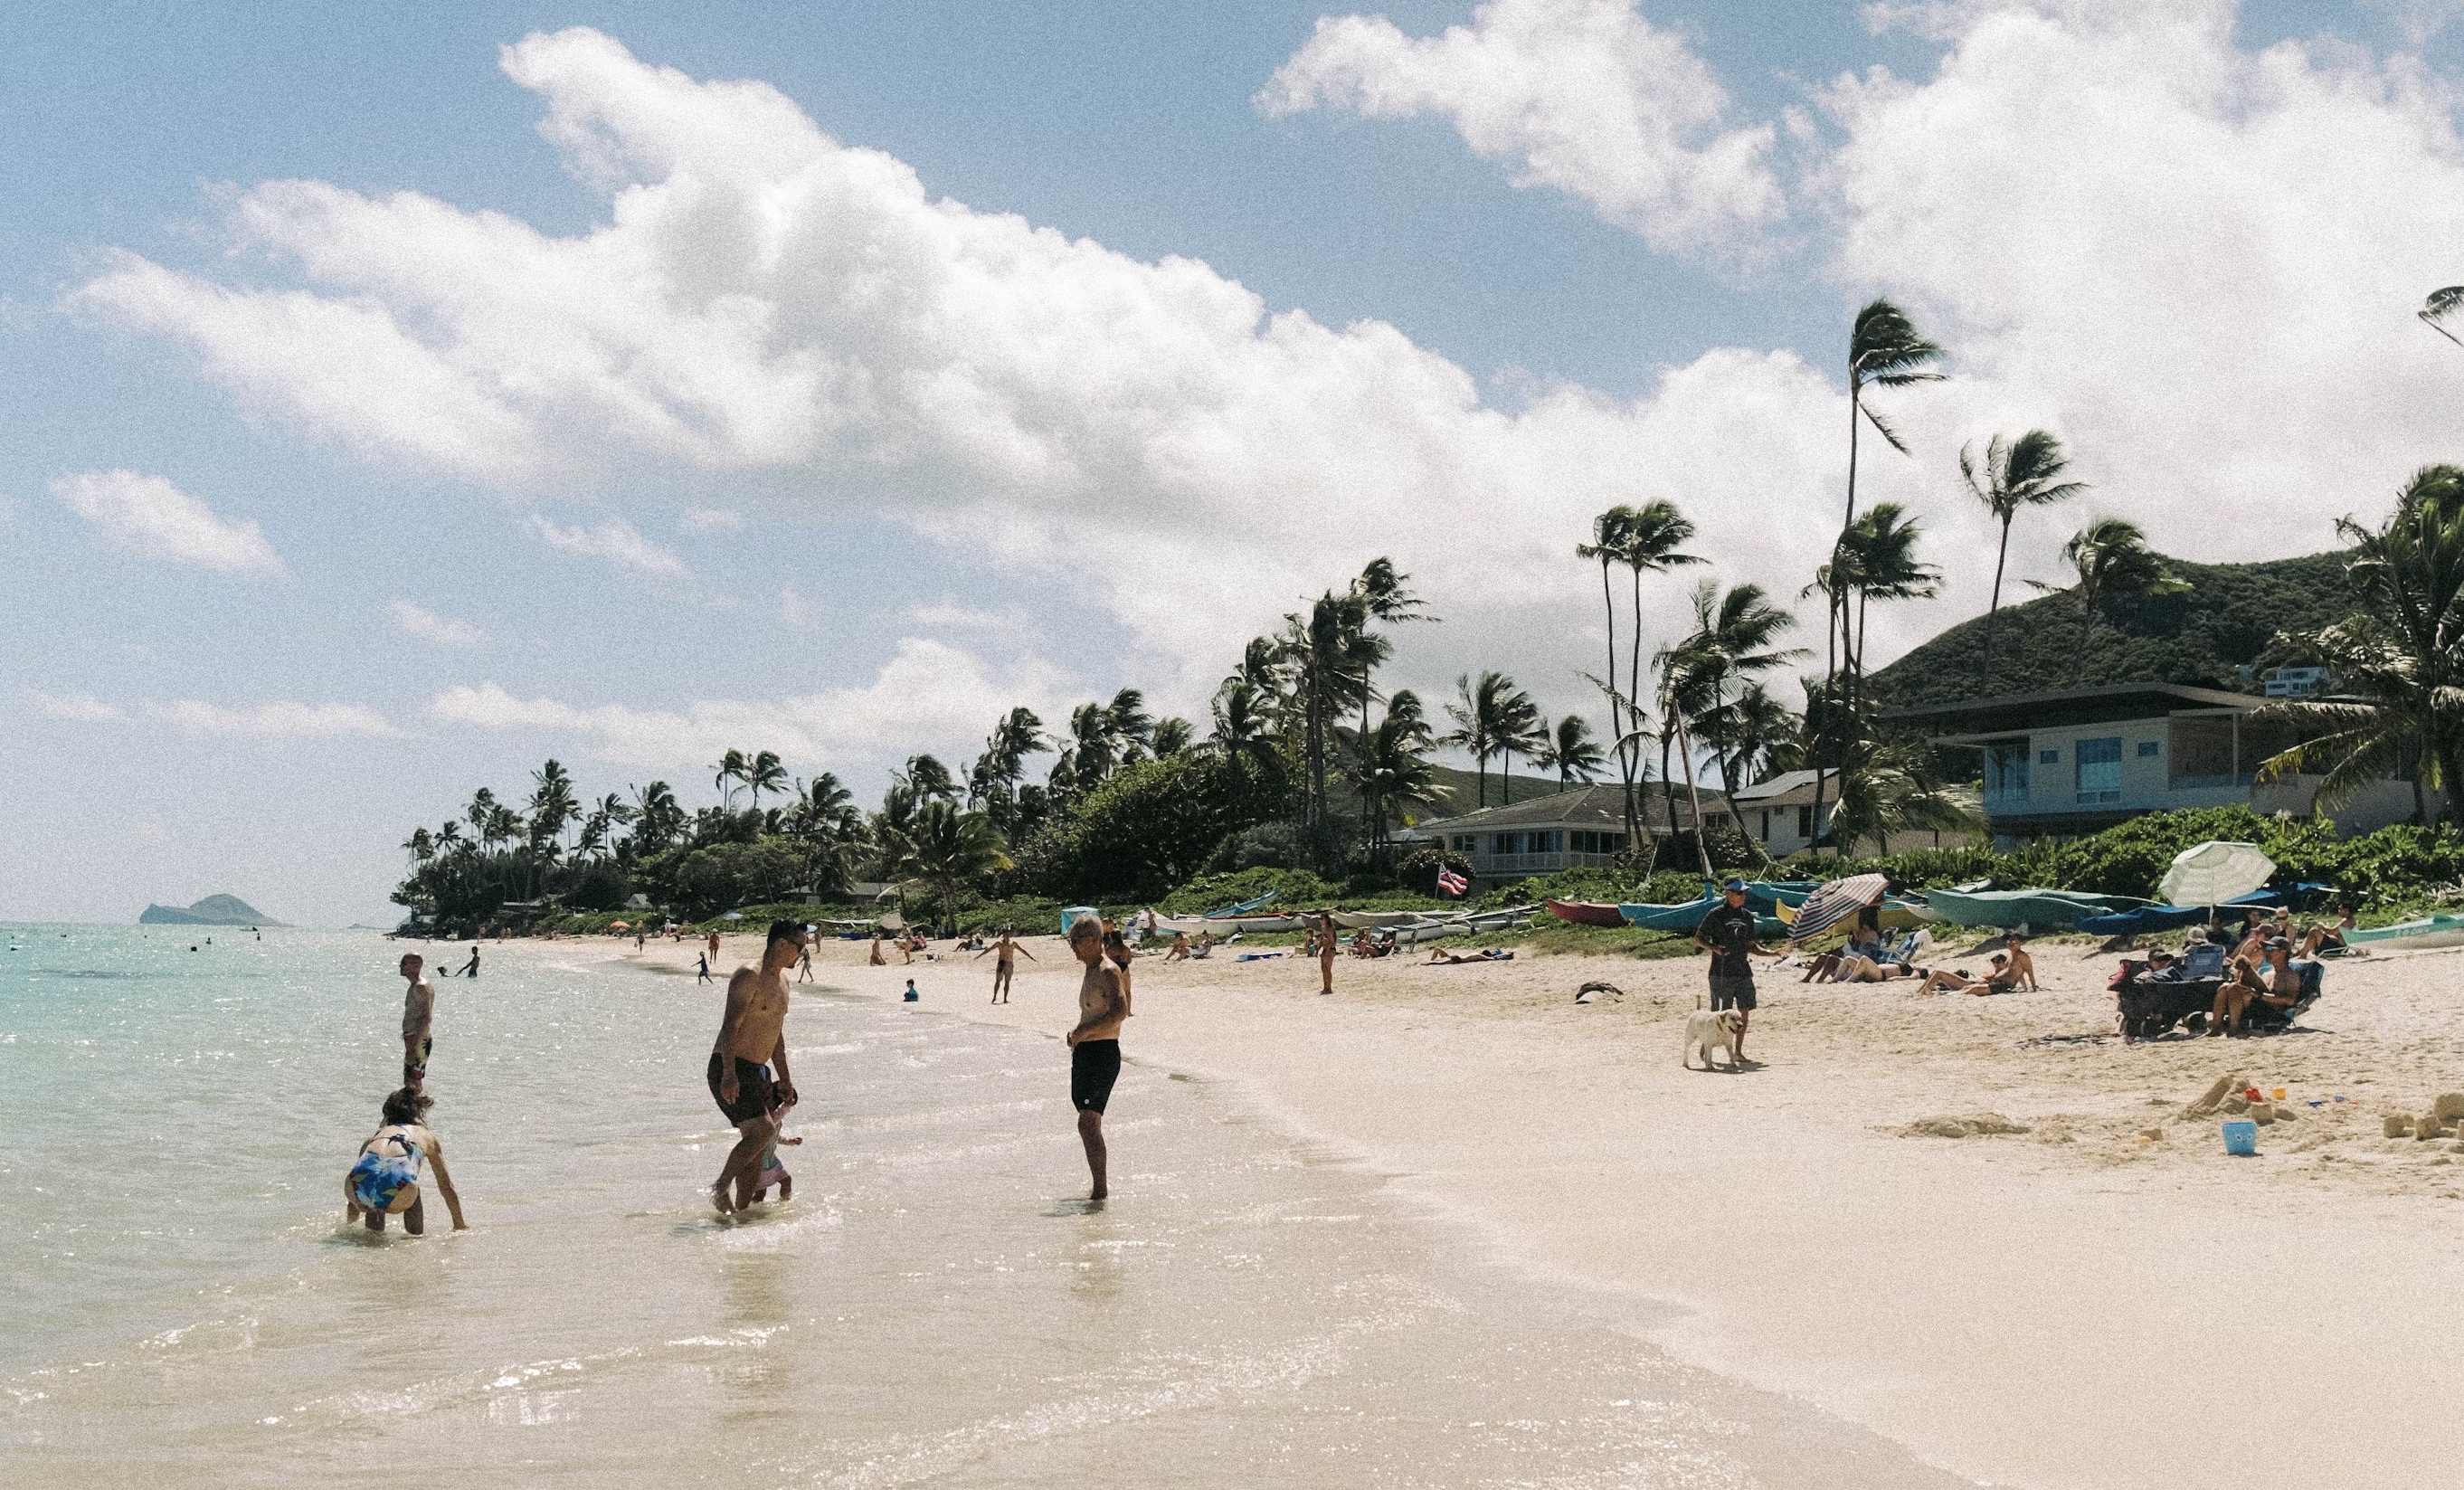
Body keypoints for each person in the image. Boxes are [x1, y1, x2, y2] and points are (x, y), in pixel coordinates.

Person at [706, 920, 808, 1213]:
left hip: (758, 1071)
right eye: (799, 946)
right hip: (731, 1066)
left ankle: (738, 1214)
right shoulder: (748, 976)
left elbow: (776, 1035)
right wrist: (728, 1074)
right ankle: (720, 1187)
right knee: (763, 1131)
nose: (801, 952)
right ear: (780, 945)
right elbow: (730, 1027)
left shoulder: (784, 984)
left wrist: (784, 1078)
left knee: (757, 1150)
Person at [1064, 916, 1130, 1201]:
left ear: (1092, 940)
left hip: (1102, 1053)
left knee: (1088, 1123)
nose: (1072, 948)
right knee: (1086, 1121)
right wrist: (1078, 1036)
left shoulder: (1107, 971)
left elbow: (1119, 1013)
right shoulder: (1091, 970)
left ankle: (1100, 1191)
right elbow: (1095, 1011)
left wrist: (1083, 1031)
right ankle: (1098, 1188)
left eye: (1074, 942)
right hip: (1087, 1052)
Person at [344, 1087, 467, 1235]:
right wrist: (460, 1224)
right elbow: (446, 1186)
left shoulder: (373, 1138)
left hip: (355, 1187)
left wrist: (350, 1224)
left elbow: (360, 1175)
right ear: (418, 1114)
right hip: (401, 1191)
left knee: (375, 1178)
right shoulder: (426, 1135)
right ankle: (414, 1238)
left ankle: (372, 1238)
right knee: (405, 1181)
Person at [1692, 879, 1761, 1065]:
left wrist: (1773, 953)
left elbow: (1751, 945)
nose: (1742, 897)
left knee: (1744, 1013)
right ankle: (1707, 1045)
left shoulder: (1747, 917)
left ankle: (1738, 1052)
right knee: (1719, 1014)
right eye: (1739, 893)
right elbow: (1698, 938)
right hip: (1721, 972)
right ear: (1729, 894)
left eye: (1744, 893)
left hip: (1743, 972)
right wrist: (1714, 948)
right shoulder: (1716, 914)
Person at [398, 953, 435, 1087]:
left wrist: (414, 1044)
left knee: (413, 1081)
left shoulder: (421, 987)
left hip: (419, 1039)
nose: (400, 966)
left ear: (416, 966)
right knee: (410, 1079)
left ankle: (417, 1107)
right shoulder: (415, 986)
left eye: (404, 963)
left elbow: (426, 1017)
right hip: (414, 1037)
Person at [752, 1106, 801, 1204]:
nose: (790, 1110)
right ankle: (747, 1211)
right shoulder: (768, 1117)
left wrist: (788, 1141)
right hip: (761, 1163)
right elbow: (772, 1122)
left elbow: (774, 1137)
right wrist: (787, 1104)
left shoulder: (778, 1120)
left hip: (772, 1160)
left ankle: (784, 1205)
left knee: (786, 1180)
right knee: (760, 1193)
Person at [976, 926, 1036, 1003]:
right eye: (1005, 935)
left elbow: (1022, 950)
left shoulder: (1013, 944)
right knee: (998, 981)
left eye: (1008, 935)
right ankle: (994, 996)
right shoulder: (999, 944)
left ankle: (1005, 999)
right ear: (1003, 936)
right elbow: (989, 949)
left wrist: (1030, 957)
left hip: (1010, 964)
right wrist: (979, 956)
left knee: (1007, 982)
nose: (1007, 936)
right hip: (1001, 964)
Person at [1917, 953, 2023, 995]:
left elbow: (2018, 976)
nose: (1996, 964)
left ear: (2005, 963)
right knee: (1936, 972)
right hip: (1969, 983)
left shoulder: (2003, 973)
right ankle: (1920, 991)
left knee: (1939, 973)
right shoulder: (1996, 972)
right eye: (1994, 962)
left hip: (1968, 984)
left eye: (1998, 962)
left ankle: (1923, 992)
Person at [1315, 911, 1338, 995]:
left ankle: (1329, 987)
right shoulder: (1323, 928)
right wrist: (1318, 949)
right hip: (1325, 949)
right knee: (1324, 969)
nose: (1320, 920)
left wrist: (1326, 952)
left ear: (1326, 919)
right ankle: (1325, 987)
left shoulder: (1329, 929)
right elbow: (1322, 940)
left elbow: (1331, 941)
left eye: (1322, 919)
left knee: (1327, 969)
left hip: (1330, 950)